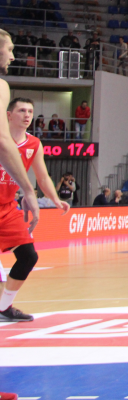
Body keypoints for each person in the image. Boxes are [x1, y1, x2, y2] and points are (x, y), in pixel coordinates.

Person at [0, 92, 70, 326]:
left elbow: (42, 176)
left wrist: (55, 199)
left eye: (30, 112)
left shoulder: (33, 144)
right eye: (21, 111)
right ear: (8, 115)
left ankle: (3, 307)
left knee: (29, 256)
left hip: (7, 209)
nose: (27, 115)